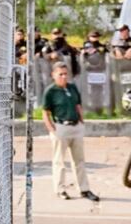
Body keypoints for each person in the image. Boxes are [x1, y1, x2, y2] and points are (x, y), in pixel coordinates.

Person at [42, 62, 99, 202]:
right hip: (61, 127)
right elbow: (45, 112)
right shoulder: (51, 91)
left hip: (75, 127)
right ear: (54, 75)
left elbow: (78, 104)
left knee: (79, 160)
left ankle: (84, 189)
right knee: (59, 161)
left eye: (65, 74)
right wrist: (51, 129)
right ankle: (60, 189)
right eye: (60, 74)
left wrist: (81, 120)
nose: (63, 77)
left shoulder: (72, 88)